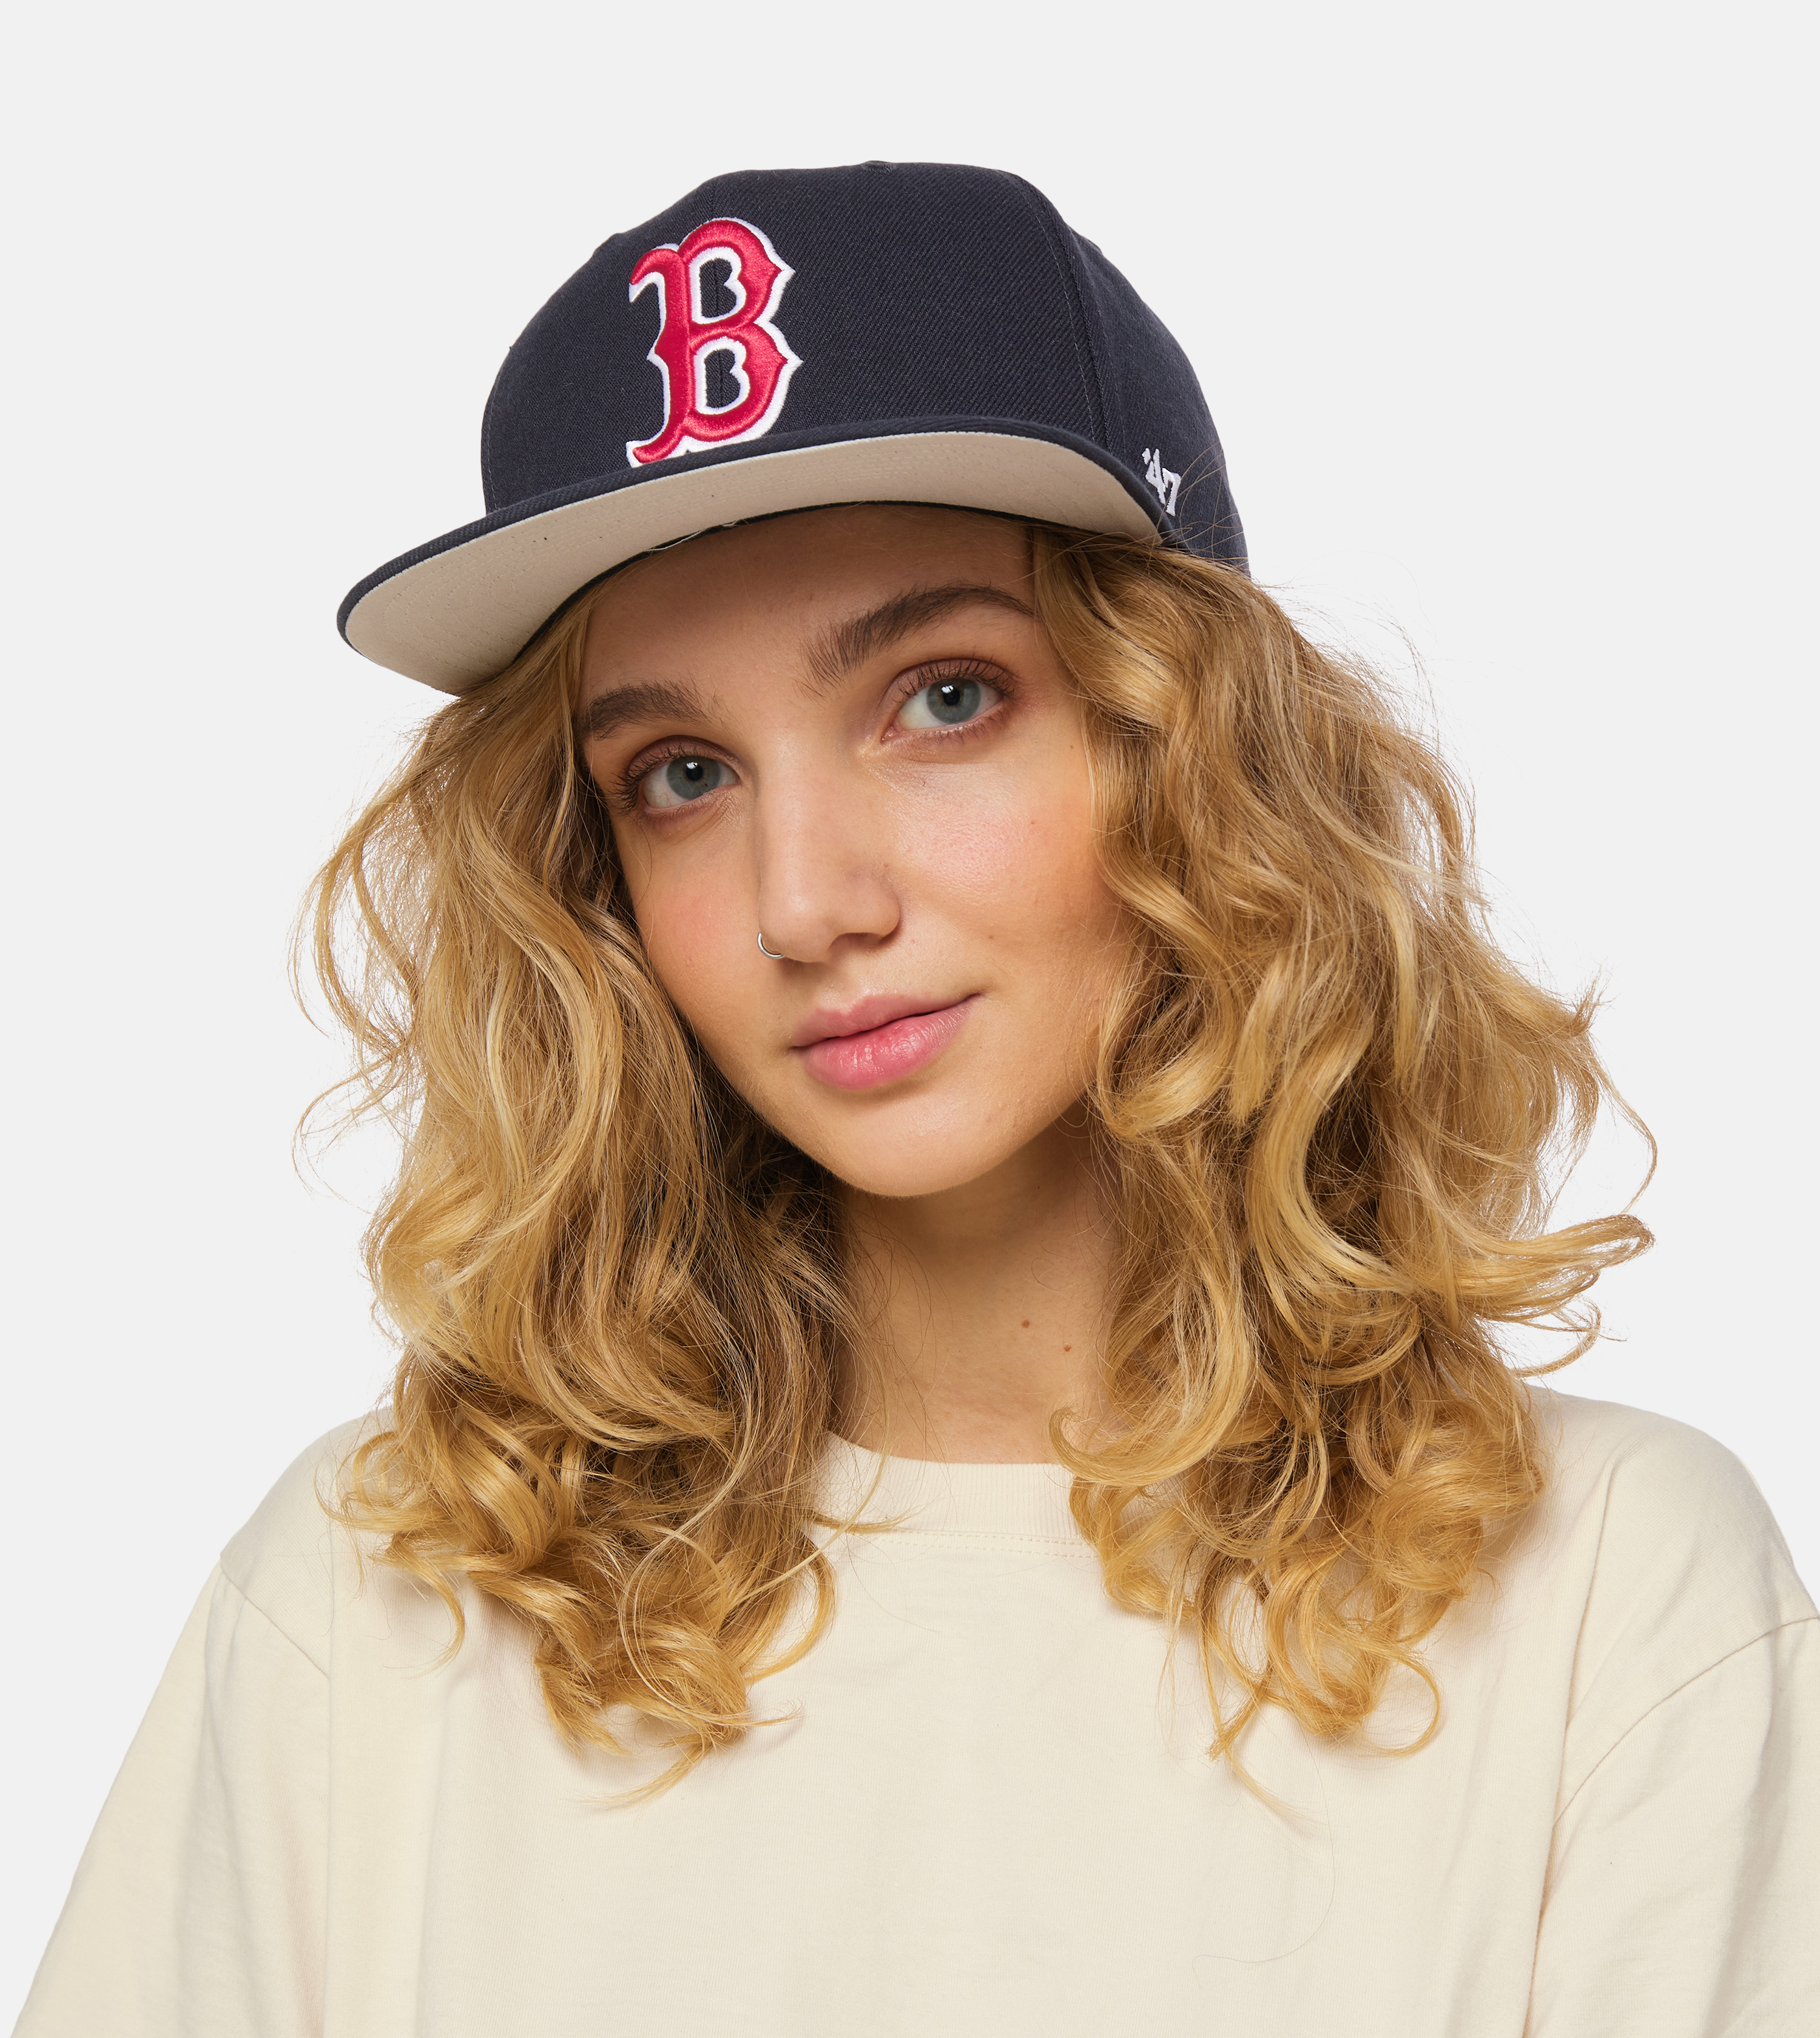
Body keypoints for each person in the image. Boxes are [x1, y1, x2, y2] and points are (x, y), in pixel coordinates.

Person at [16, 161, 1816, 2038]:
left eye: (945, 699)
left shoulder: (1609, 1601)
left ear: (1194, 748)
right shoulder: (375, 1602)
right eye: (683, 773)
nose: (807, 903)